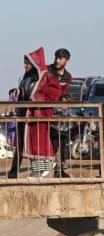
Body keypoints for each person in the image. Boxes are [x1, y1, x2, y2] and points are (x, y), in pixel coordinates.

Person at [20, 48, 66, 178]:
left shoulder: (47, 76)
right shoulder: (27, 77)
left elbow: (55, 92)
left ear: (34, 63)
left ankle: (41, 170)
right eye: (24, 63)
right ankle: (37, 170)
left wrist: (38, 98)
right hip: (29, 114)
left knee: (39, 143)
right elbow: (24, 92)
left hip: (41, 114)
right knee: (31, 143)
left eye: (27, 63)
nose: (25, 66)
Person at [48, 49, 72, 178]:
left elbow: (65, 93)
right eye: (56, 57)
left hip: (60, 115)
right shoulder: (47, 71)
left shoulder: (67, 76)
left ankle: (61, 169)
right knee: (52, 141)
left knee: (62, 140)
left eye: (60, 58)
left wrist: (65, 101)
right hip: (46, 112)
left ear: (67, 61)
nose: (57, 60)